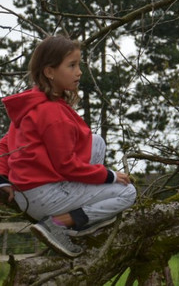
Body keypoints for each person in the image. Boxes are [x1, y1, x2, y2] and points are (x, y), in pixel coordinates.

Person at [0, 36, 137, 257]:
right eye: (72, 65)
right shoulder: (53, 114)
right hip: (45, 197)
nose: (79, 72)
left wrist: (2, 179)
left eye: (78, 65)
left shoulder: (32, 102)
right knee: (127, 192)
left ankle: (76, 206)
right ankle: (57, 224)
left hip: (26, 191)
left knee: (96, 141)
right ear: (49, 72)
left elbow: (6, 144)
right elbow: (67, 166)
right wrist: (109, 176)